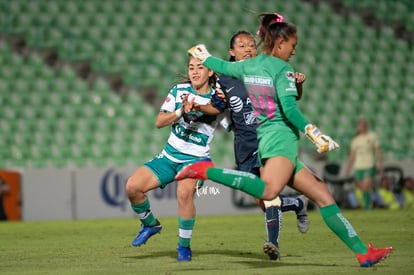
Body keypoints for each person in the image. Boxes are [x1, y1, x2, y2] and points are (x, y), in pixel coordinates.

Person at [177, 12, 393, 267]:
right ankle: (206, 171)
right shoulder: (281, 69)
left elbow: (221, 66)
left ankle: (362, 253)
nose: (294, 50)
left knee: (323, 195)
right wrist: (314, 132)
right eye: (292, 45)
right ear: (279, 43)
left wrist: (203, 54)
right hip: (279, 138)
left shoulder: (248, 67)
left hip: (271, 138)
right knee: (268, 192)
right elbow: (289, 110)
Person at [185, 29, 310, 260]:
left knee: (268, 194)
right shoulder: (224, 79)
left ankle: (272, 243)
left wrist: (298, 85)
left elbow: (291, 99)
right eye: (241, 45)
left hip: (268, 140)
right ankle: (296, 204)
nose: (248, 49)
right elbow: (217, 106)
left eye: (251, 44)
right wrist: (199, 107)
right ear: (232, 52)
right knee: (262, 201)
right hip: (243, 144)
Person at [125, 56, 227, 261]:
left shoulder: (218, 98)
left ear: (211, 72)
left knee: (183, 193)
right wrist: (181, 110)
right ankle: (151, 225)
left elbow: (222, 116)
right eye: (191, 68)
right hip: (169, 157)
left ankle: (183, 247)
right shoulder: (179, 91)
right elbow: (159, 121)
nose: (195, 72)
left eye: (200, 67)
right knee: (132, 188)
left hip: (196, 160)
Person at [345, 117, 384, 209]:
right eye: (360, 125)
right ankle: (368, 204)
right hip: (359, 166)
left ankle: (368, 207)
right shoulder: (356, 139)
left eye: (363, 124)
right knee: (363, 188)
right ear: (358, 126)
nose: (362, 126)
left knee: (366, 187)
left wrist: (380, 164)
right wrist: (348, 168)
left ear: (366, 125)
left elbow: (378, 151)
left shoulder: (372, 136)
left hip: (369, 165)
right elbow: (352, 155)